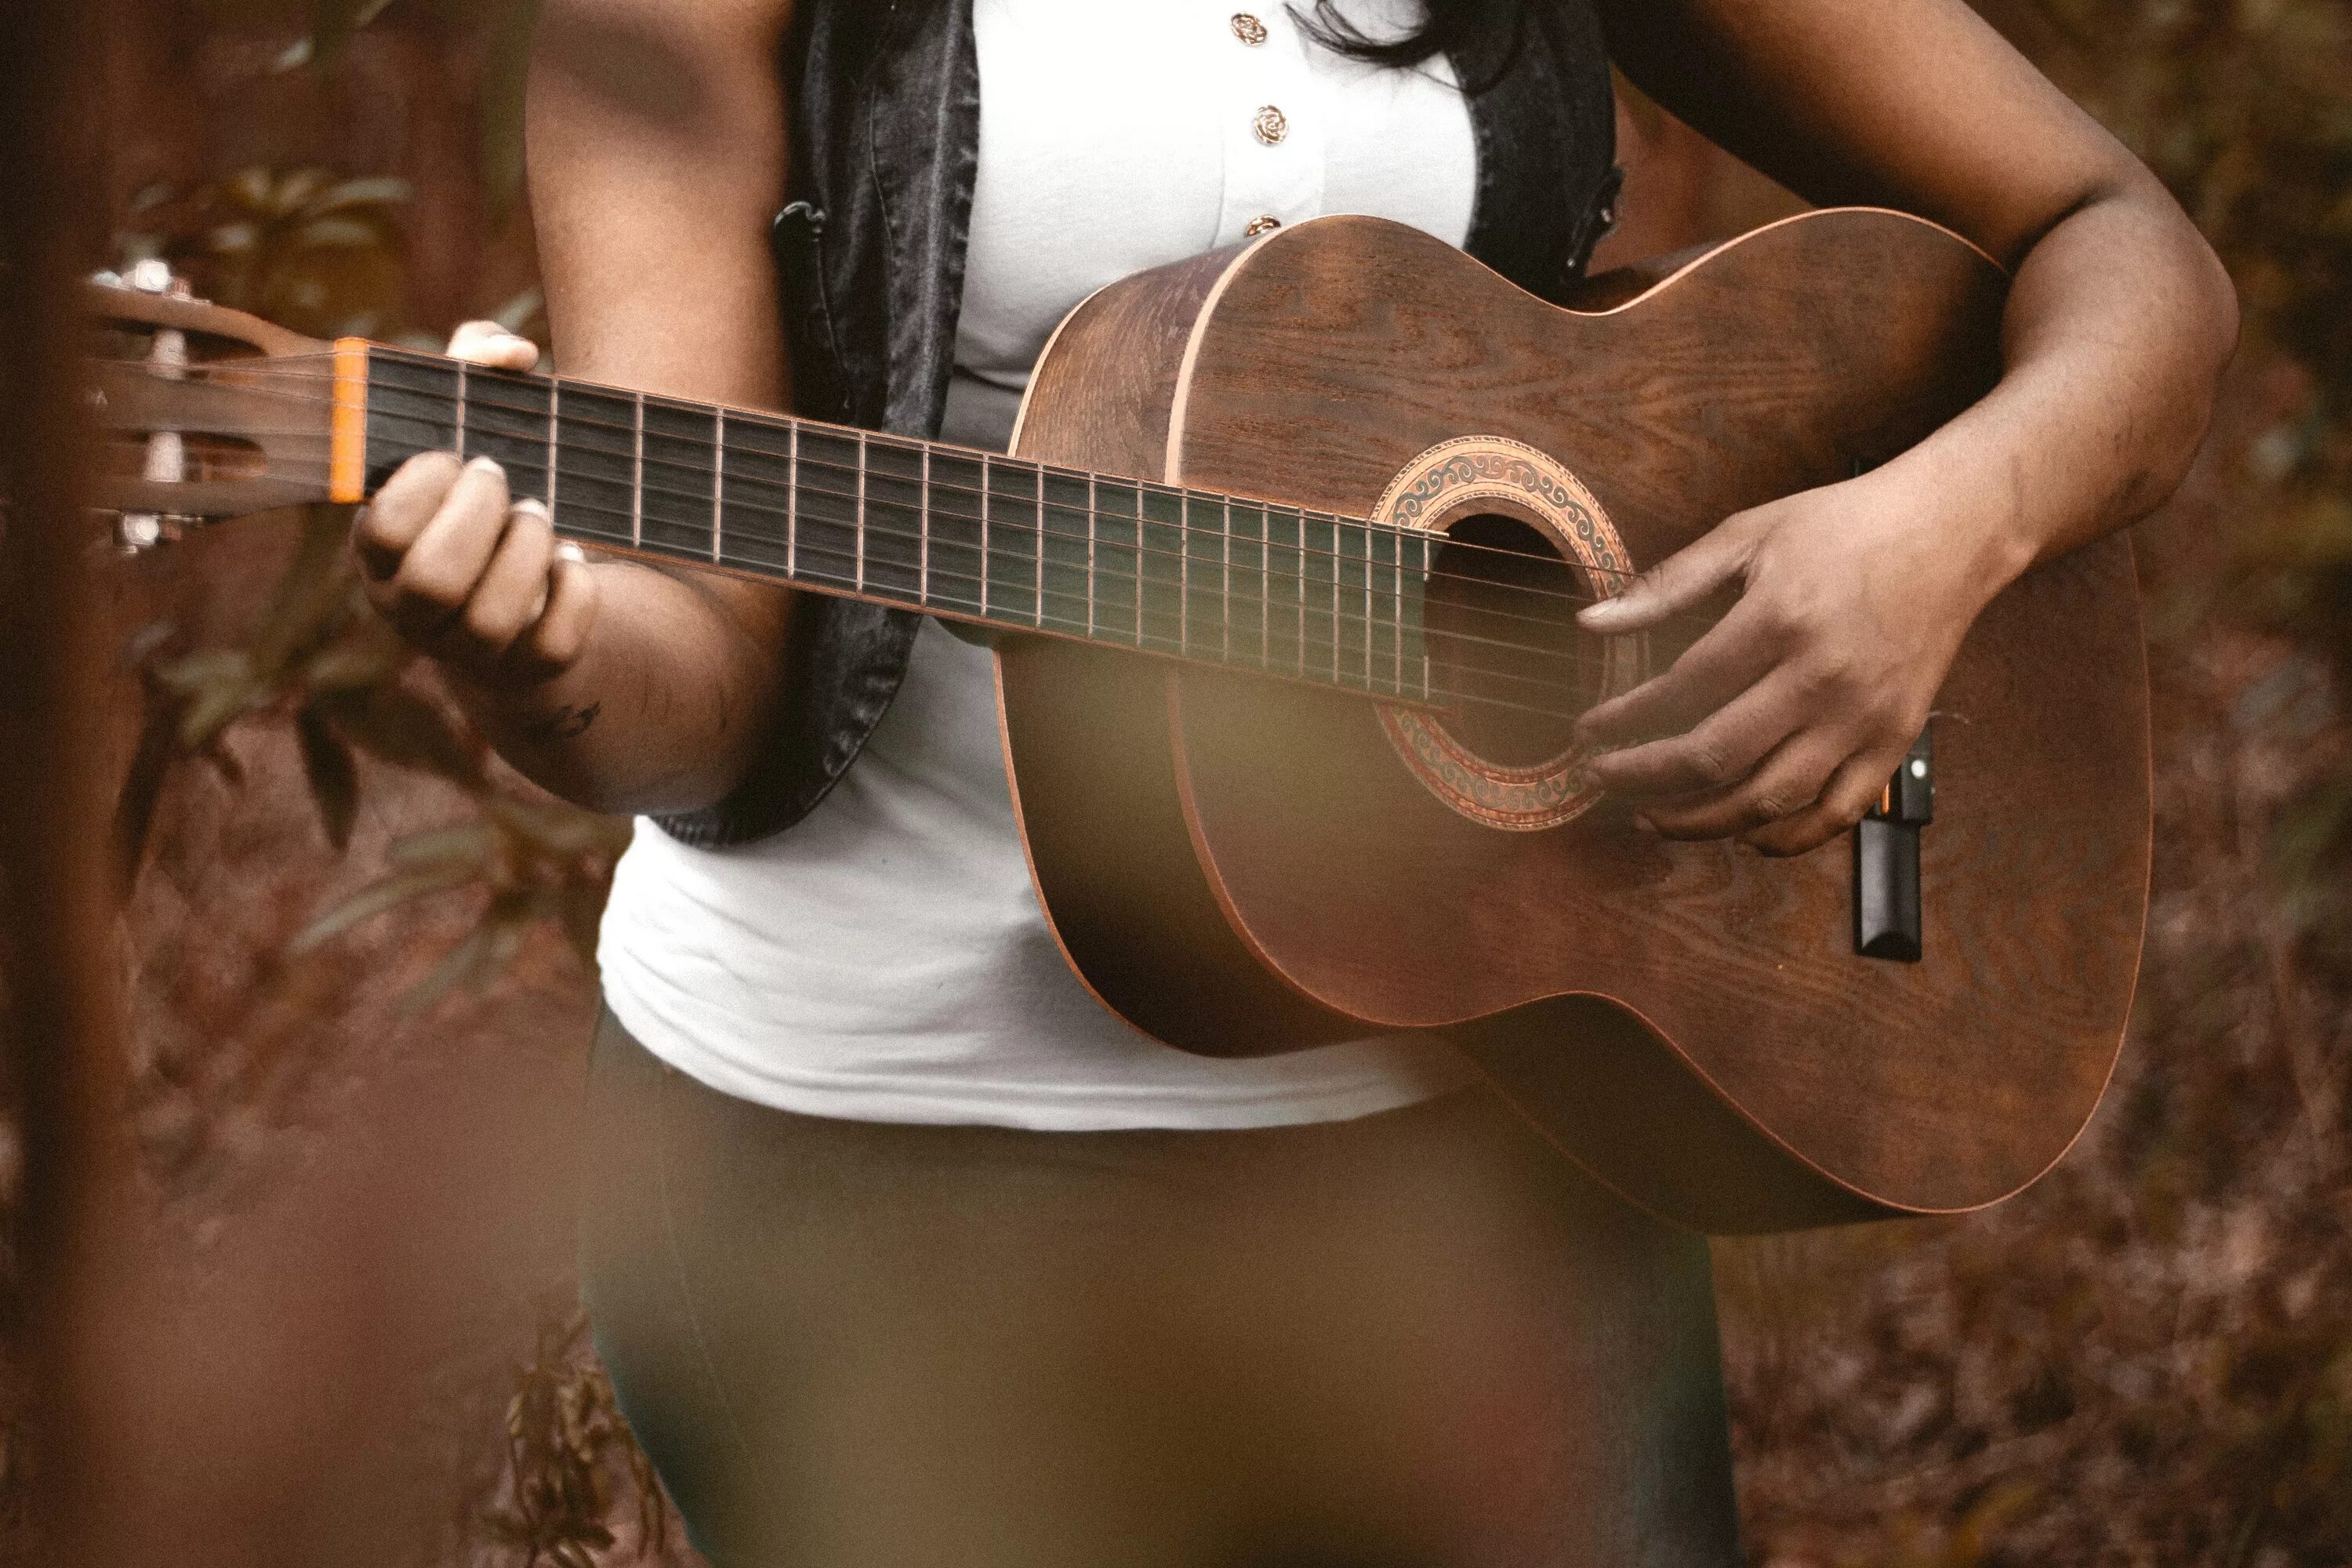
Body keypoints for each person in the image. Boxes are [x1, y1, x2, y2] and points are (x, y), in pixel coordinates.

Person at [353, 0, 2237, 1561]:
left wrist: (1927, 541)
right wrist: (549, 655)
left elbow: (2128, 253)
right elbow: (701, 672)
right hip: (871, 1152)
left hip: (1494, 1106)